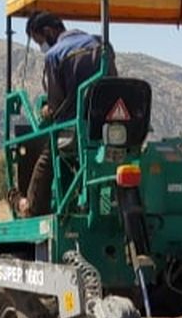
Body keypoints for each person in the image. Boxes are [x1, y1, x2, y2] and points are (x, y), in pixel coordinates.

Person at [11, 12, 117, 217]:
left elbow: (54, 106)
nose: (41, 47)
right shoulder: (101, 44)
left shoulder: (55, 54)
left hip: (76, 131)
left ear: (48, 31)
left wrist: (45, 111)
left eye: (39, 41)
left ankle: (29, 206)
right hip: (110, 128)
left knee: (47, 156)